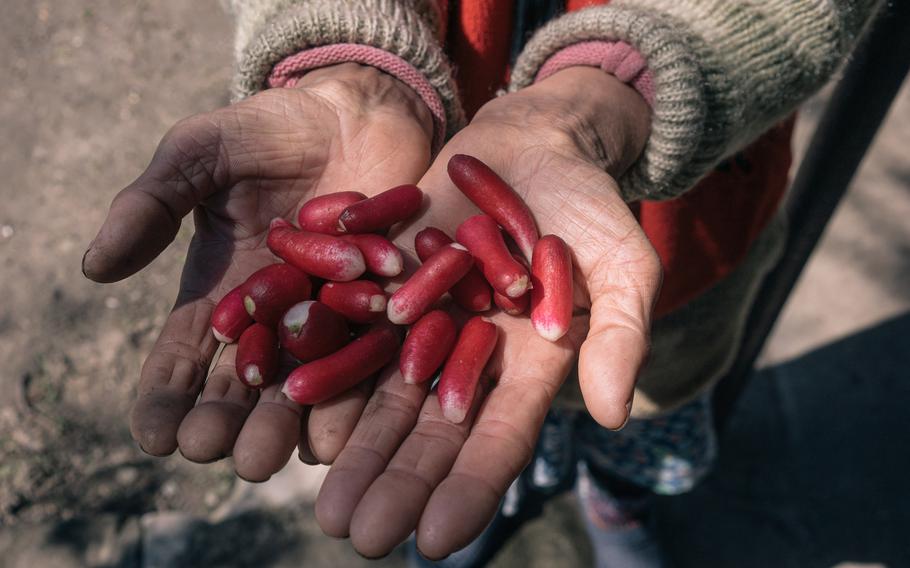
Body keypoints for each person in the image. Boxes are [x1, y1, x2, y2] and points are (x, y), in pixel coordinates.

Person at [82, 0, 877, 565]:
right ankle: (500, 506)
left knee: (642, 411)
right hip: (449, 125)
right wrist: (350, 55)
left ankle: (617, 503)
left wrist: (617, 89)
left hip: (690, 247)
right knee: (488, 441)